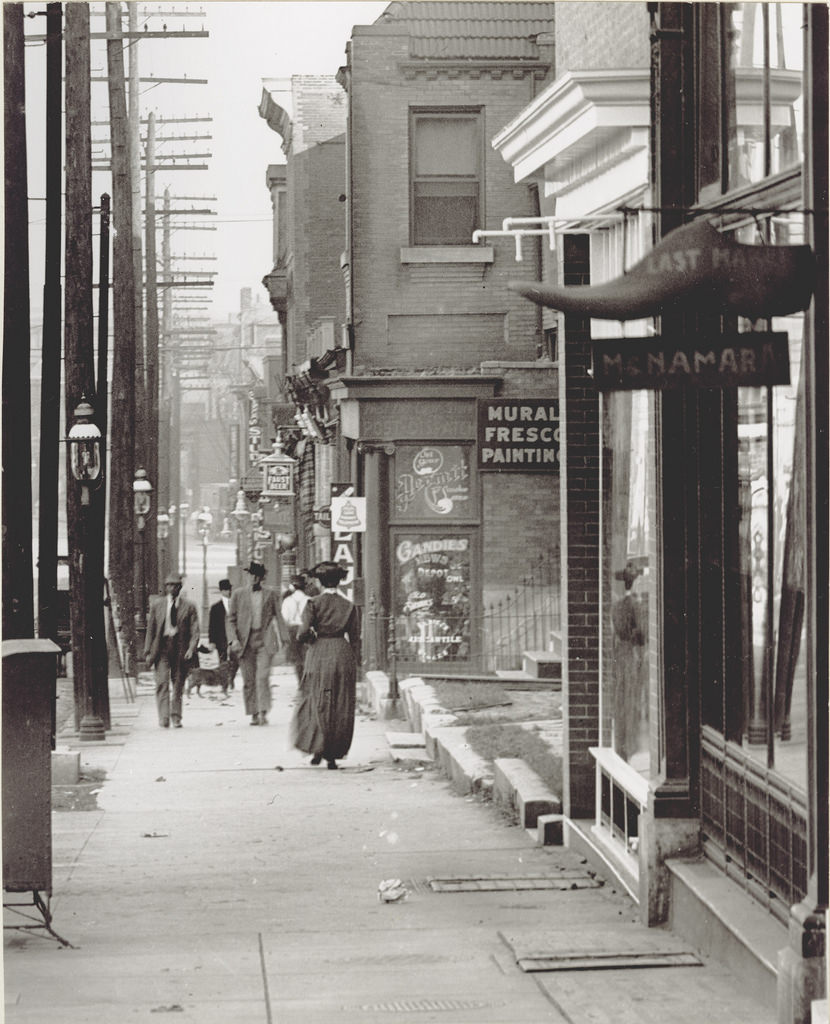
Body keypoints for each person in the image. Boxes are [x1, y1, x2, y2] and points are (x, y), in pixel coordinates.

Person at [291, 561, 361, 769]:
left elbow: (302, 633)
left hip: (319, 654)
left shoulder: (313, 603)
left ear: (321, 582)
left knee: (316, 700)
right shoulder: (349, 605)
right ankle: (332, 754)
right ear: (339, 582)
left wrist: (313, 638)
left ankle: (317, 748)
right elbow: (355, 639)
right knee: (339, 704)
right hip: (342, 654)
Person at [227, 561, 285, 726]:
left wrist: (285, 638)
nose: (252, 578)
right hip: (245, 642)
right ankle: (253, 712)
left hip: (265, 640)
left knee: (262, 677)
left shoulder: (271, 594)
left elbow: (279, 616)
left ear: (261, 578)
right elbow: (230, 620)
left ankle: (263, 711)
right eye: (250, 575)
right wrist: (233, 640)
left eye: (256, 575)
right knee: (249, 679)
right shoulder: (238, 594)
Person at [143, 571, 199, 728]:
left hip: (180, 648)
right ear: (165, 587)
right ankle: (164, 717)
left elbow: (195, 630)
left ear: (180, 587)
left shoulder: (189, 607)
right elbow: (151, 630)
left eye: (174, 585)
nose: (171, 588)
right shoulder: (157, 606)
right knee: (162, 682)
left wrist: (191, 648)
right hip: (161, 648)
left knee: (178, 683)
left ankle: (176, 716)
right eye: (168, 585)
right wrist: (147, 652)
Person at [208, 578, 237, 693]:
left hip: (234, 638)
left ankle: (231, 679)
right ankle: (224, 684)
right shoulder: (215, 608)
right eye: (226, 589)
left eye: (229, 589)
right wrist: (212, 641)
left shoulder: (236, 604)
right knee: (223, 663)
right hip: (221, 639)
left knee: (235, 662)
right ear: (222, 591)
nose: (229, 591)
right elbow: (212, 626)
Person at [281, 573, 310, 684]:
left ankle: (300, 681)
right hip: (306, 629)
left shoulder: (287, 601)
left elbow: (284, 619)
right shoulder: (310, 599)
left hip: (293, 631)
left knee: (297, 658)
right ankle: (306, 679)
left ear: (293, 587)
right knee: (307, 655)